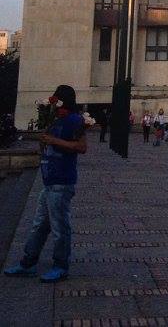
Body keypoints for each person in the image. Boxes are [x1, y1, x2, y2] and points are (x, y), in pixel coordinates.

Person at [7, 85, 90, 282]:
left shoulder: (75, 120)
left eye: (58, 98)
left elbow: (81, 147)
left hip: (62, 181)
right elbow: (47, 142)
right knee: (39, 225)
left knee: (60, 227)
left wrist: (53, 141)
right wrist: (44, 142)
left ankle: (61, 265)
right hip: (49, 180)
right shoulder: (54, 119)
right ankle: (29, 262)